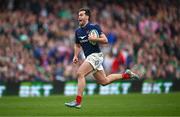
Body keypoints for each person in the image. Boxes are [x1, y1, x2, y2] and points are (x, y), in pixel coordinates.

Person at [65, 8, 139, 109]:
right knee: (104, 81)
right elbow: (77, 45)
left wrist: (94, 39)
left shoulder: (94, 27)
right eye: (78, 15)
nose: (79, 17)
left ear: (87, 17)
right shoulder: (78, 31)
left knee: (80, 73)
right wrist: (75, 55)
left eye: (81, 15)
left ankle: (78, 101)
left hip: (96, 55)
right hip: (90, 57)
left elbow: (105, 40)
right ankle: (126, 75)